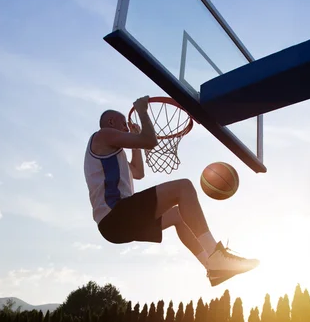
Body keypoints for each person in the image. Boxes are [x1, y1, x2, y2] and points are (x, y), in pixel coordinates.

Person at [84, 95, 259, 286]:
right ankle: (215, 254)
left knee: (178, 215)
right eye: (124, 124)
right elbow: (150, 141)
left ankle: (212, 268)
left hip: (115, 226)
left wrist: (135, 143)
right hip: (116, 215)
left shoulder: (112, 154)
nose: (127, 128)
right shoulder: (102, 135)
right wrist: (142, 112)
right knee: (183, 187)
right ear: (111, 122)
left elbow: (139, 172)